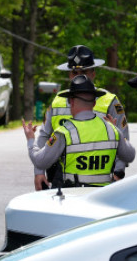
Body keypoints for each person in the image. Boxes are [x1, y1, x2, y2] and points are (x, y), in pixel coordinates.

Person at [33, 45, 129, 190]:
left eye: (84, 71)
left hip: (100, 180)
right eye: (74, 72)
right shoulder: (58, 100)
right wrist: (39, 172)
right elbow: (44, 136)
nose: (78, 76)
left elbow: (123, 140)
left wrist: (118, 173)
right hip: (61, 179)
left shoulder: (109, 101)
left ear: (93, 73)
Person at [23, 75, 135, 188]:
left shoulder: (63, 132)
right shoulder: (111, 129)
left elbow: (40, 161)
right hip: (102, 197)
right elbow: (130, 156)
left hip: (73, 197)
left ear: (71, 102)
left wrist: (31, 140)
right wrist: (116, 131)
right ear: (94, 103)